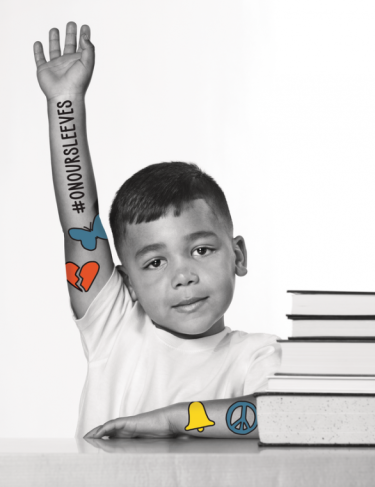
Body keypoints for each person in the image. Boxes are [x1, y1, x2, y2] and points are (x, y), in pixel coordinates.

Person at [33, 22, 280, 439]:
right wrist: (65, 103)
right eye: (154, 262)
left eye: (201, 250)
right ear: (126, 281)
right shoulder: (114, 327)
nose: (182, 275)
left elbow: (275, 416)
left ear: (237, 255)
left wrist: (170, 418)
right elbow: (80, 224)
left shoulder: (257, 356)